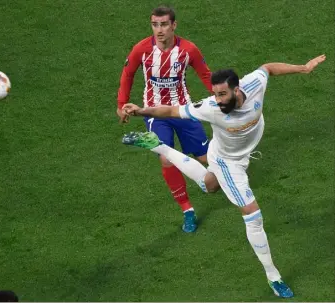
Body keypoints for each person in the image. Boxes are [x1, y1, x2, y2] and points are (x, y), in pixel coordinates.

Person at [121, 54, 326, 298]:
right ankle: (274, 277)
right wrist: (141, 111)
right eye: (215, 94)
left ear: (236, 89)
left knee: (210, 185)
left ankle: (158, 146)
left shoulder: (253, 84)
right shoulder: (210, 108)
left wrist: (302, 68)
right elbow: (172, 110)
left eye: (222, 94)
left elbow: (268, 67)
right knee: (253, 215)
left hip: (234, 153)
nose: (218, 100)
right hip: (229, 162)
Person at [117, 5, 214, 232]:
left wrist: (224, 100)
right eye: (155, 24)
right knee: (166, 158)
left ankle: (229, 178)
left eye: (163, 25)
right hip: (153, 114)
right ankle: (187, 211)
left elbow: (207, 76)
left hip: (182, 110)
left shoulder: (188, 50)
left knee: (204, 157)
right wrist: (121, 105)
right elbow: (127, 73)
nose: (159, 30)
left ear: (173, 26)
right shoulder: (141, 49)